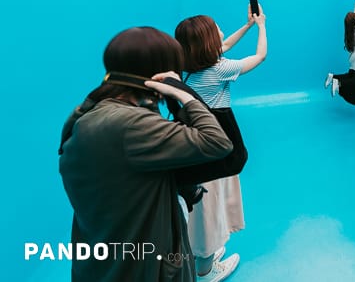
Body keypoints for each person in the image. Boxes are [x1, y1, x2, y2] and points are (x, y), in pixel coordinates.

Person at [58, 27, 234, 282]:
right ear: (158, 75)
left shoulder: (87, 114)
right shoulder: (132, 125)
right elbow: (217, 142)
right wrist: (185, 95)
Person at [175, 3, 267, 282]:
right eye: (215, 29)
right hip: (217, 150)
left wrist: (248, 25)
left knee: (200, 204)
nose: (220, 31)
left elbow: (224, 44)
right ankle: (204, 269)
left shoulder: (186, 69)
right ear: (207, 42)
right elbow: (260, 56)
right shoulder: (220, 69)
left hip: (193, 145)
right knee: (210, 207)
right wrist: (262, 26)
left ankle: (204, 253)